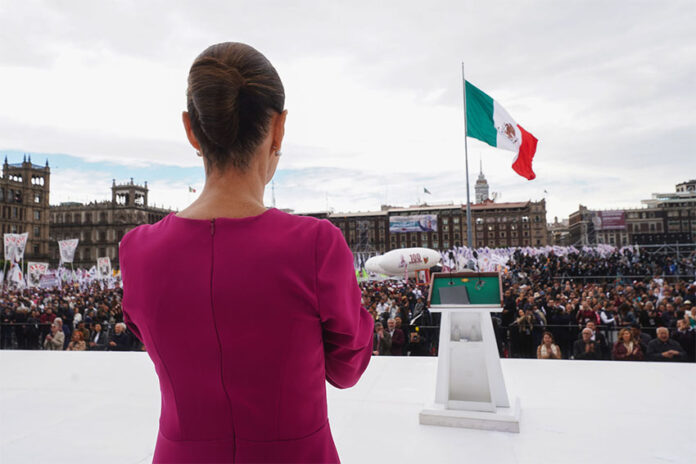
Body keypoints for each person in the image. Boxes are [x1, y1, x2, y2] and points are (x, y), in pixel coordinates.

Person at [119, 42, 373, 464]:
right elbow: (348, 369)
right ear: (278, 129)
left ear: (191, 129)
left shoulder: (138, 251)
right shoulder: (315, 244)